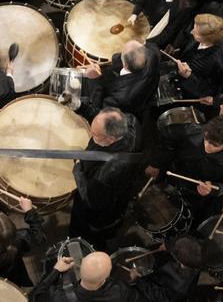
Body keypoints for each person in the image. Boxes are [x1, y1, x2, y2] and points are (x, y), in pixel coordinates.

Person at [69, 108, 143, 243]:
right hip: (123, 184)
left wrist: (78, 167)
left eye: (95, 134)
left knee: (87, 227)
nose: (91, 134)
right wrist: (82, 107)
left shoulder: (105, 174)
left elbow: (90, 198)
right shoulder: (130, 120)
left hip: (102, 200)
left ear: (110, 139)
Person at [31, 251, 140, 301]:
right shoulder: (120, 290)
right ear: (105, 279)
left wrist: (56, 270)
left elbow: (34, 297)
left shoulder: (56, 296)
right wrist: (132, 278)